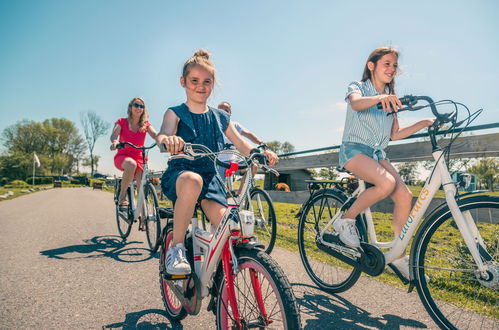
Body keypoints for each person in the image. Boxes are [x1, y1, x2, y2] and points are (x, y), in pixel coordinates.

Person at [156, 50, 278, 275]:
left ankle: (219, 276)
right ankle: (177, 248)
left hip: (212, 180)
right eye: (194, 81)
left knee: (228, 226)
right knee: (193, 181)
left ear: (213, 85)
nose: (200, 86)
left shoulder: (221, 117)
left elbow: (241, 144)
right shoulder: (175, 113)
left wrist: (260, 151)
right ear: (183, 82)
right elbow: (162, 135)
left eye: (207, 82)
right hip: (182, 174)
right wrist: (169, 140)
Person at [335, 47, 434, 281]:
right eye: (386, 64)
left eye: (394, 66)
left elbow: (395, 134)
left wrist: (422, 123)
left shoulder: (392, 99)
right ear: (372, 65)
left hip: (378, 154)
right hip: (354, 150)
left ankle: (398, 256)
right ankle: (345, 220)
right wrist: (381, 97)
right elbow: (357, 104)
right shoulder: (358, 88)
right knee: (386, 183)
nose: (391, 69)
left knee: (404, 196)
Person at [110, 97, 157, 230]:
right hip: (123, 157)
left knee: (142, 186)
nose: (139, 108)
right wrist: (115, 142)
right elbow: (114, 135)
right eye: (136, 105)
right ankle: (122, 196)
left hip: (139, 158)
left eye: (141, 106)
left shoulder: (145, 124)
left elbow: (156, 134)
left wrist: (164, 140)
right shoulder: (122, 122)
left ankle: (143, 217)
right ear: (130, 107)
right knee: (131, 165)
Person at [217, 101, 265, 187]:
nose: (223, 112)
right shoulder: (215, 126)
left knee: (253, 165)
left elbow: (248, 134)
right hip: (219, 162)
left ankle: (241, 195)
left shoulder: (235, 125)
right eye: (220, 110)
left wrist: (260, 142)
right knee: (220, 191)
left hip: (235, 161)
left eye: (226, 110)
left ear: (230, 113)